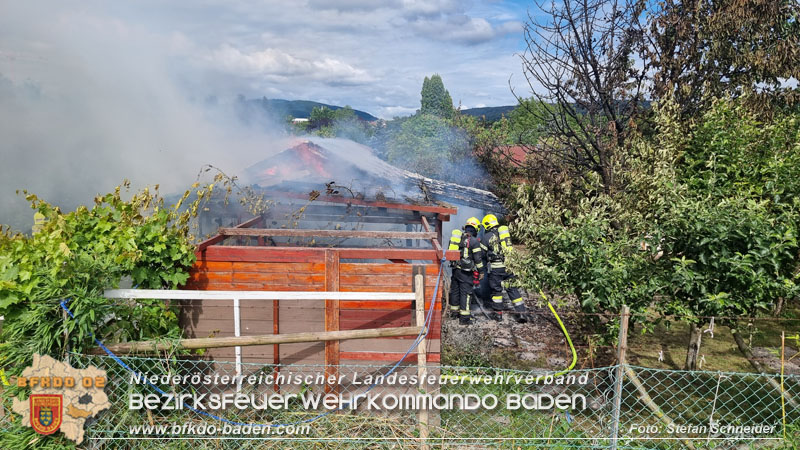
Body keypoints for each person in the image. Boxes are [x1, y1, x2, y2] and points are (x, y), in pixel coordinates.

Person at [482, 214, 528, 323]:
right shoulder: (504, 234)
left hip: (496, 269)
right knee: (512, 289)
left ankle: (498, 315)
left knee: (496, 290)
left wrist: (482, 269)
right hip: (509, 267)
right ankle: (521, 313)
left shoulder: (486, 237)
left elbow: (482, 255)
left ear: (487, 225)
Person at [446, 217, 485, 325]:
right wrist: (481, 271)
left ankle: (454, 313)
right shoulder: (474, 241)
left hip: (455, 270)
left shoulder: (458, 238)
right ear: (475, 229)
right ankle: (464, 318)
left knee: (455, 291)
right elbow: (478, 259)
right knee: (466, 294)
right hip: (466, 273)